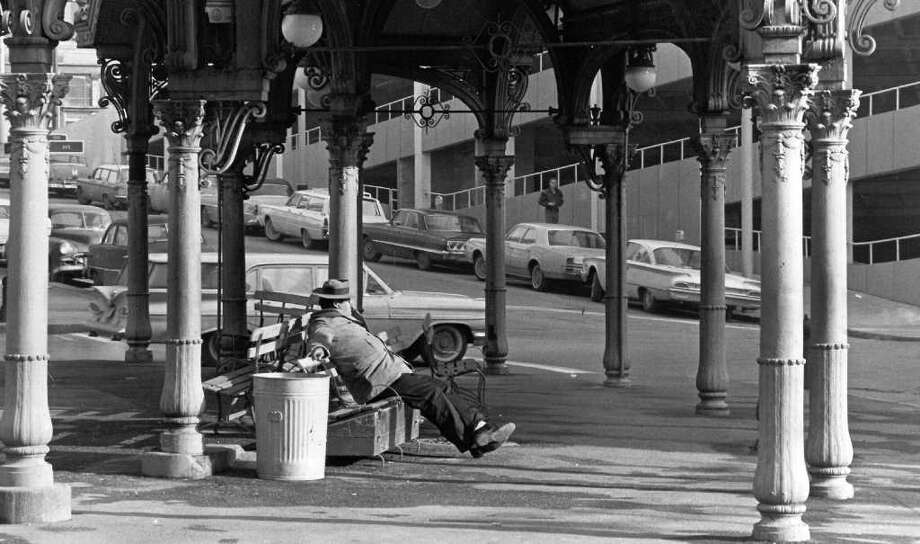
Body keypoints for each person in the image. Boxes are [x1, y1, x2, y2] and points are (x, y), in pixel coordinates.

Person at [300, 279, 515, 457]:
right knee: (431, 395)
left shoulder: (345, 320)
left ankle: (480, 429)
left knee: (442, 387)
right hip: (379, 383)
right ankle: (475, 440)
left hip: (392, 374)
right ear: (338, 304)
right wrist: (318, 350)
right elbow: (318, 339)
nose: (350, 304)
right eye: (347, 301)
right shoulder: (324, 324)